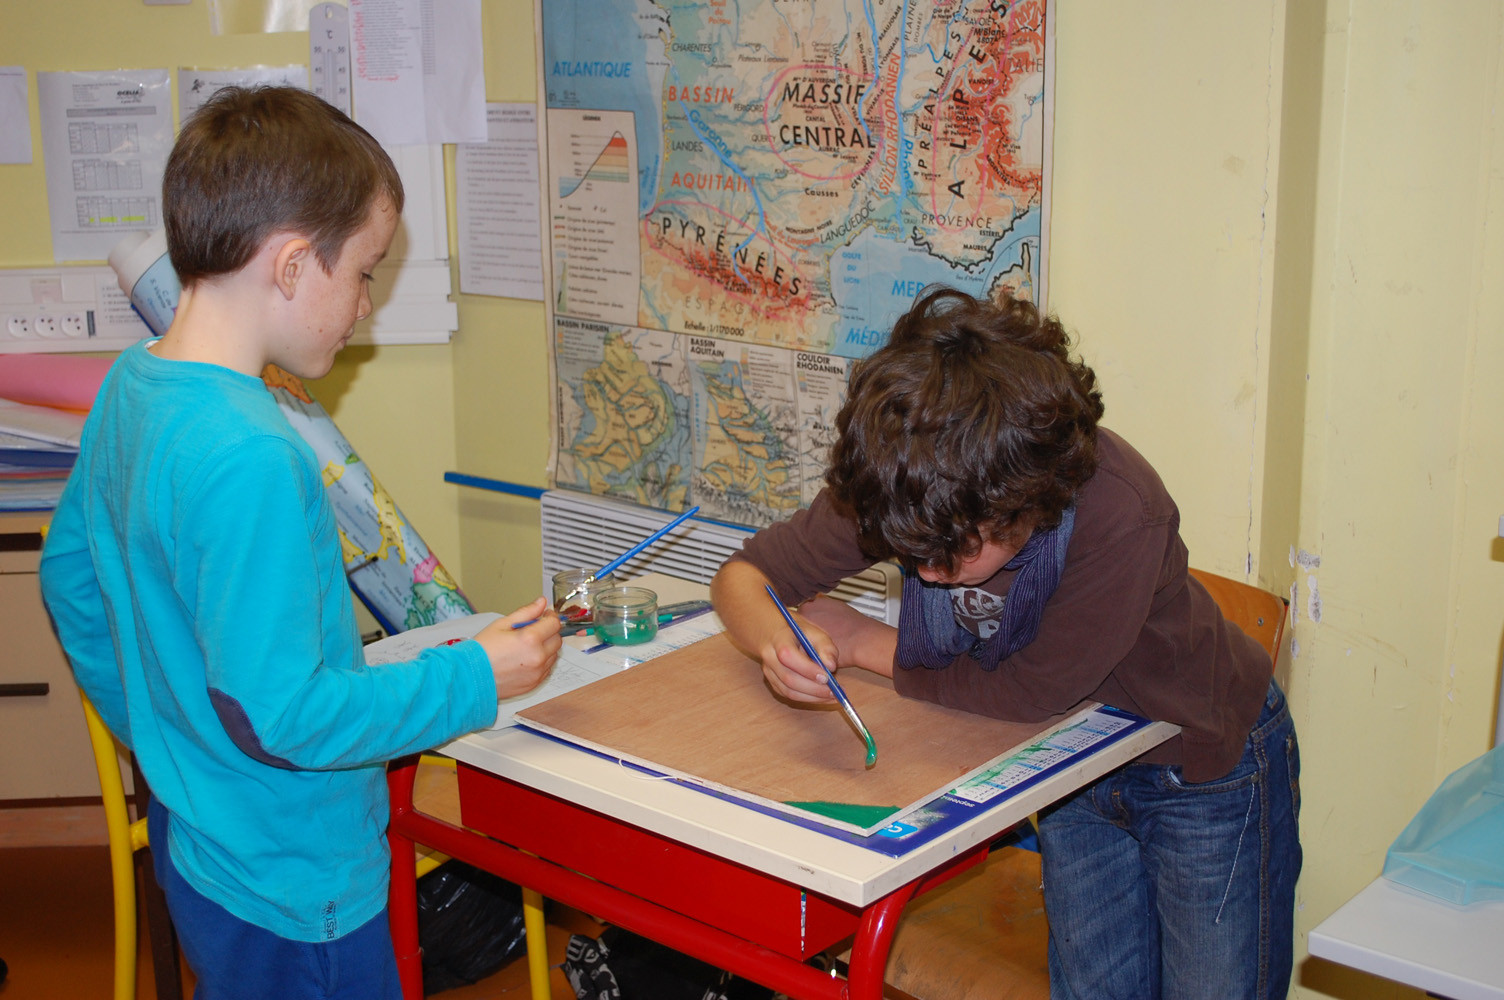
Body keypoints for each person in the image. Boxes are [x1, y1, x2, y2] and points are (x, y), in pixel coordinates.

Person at [39, 86, 562, 1000]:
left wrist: (168, 744)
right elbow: (288, 718)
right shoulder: (255, 457)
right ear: (288, 267)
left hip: (201, 834)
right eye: (363, 272)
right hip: (295, 876)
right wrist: (478, 679)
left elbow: (71, 579)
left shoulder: (132, 386)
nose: (364, 302)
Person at [711, 286, 1301, 1000]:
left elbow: (1034, 691)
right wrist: (781, 642)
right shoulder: (910, 483)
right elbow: (745, 577)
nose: (925, 572)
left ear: (1026, 500)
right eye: (910, 550)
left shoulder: (1119, 508)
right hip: (1071, 766)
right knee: (1094, 989)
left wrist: (863, 640)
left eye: (950, 554)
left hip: (1202, 764)